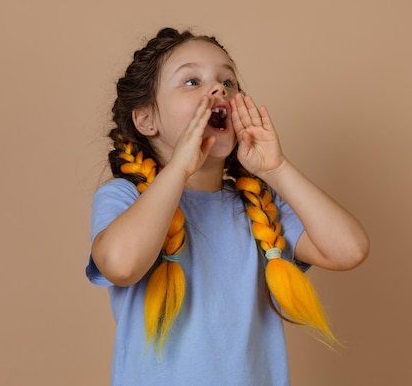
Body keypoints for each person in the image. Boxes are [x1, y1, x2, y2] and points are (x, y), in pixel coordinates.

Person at [86, 27, 369, 386]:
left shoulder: (259, 208)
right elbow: (121, 265)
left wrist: (276, 169)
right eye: (191, 81)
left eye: (228, 81)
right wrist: (180, 169)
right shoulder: (125, 199)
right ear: (147, 120)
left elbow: (350, 249)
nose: (218, 89)